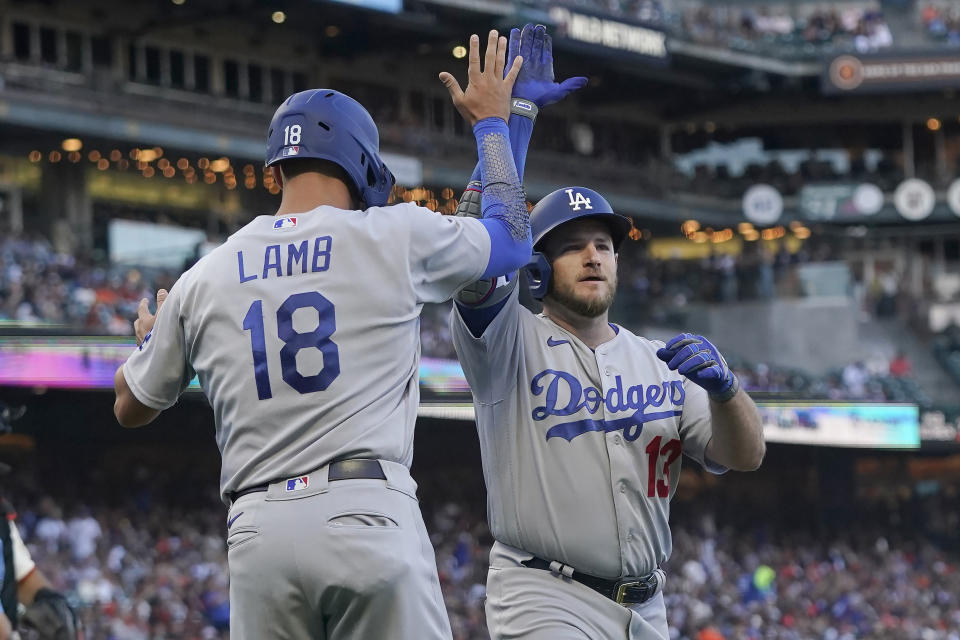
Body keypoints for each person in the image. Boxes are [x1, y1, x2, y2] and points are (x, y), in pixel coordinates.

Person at [113, 29, 529, 640]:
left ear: (277, 165)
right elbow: (512, 238)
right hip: (365, 512)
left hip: (258, 535)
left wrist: (152, 340)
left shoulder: (205, 275)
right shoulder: (391, 234)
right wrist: (496, 125)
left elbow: (130, 406)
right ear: (362, 163)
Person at [452, 192, 765, 637]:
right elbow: (477, 278)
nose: (592, 257)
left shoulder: (660, 359)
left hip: (647, 606)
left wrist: (728, 391)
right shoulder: (506, 343)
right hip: (545, 594)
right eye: (572, 246)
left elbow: (746, 455)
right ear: (538, 269)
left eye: (602, 245)